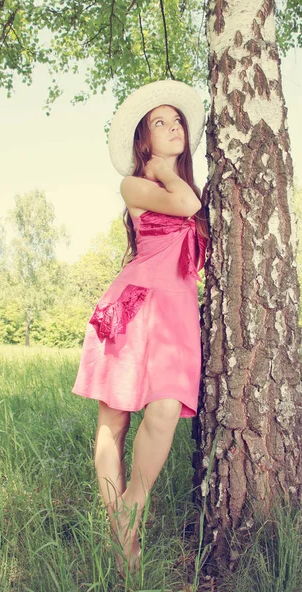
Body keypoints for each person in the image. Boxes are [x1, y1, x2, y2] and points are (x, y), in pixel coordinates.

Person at [71, 79, 209, 577]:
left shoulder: (184, 184)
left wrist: (171, 171)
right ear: (143, 141)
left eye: (178, 121)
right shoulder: (136, 183)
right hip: (132, 308)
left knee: (166, 408)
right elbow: (188, 208)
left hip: (174, 316)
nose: (174, 128)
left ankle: (133, 503)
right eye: (160, 123)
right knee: (114, 422)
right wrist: (160, 169)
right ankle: (121, 538)